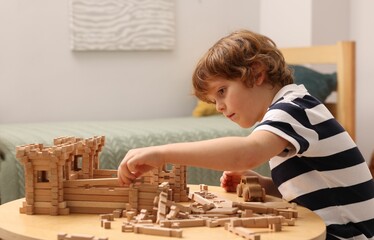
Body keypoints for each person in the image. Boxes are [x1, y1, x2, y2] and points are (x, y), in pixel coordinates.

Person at [118, 29, 374, 240]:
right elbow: (315, 189)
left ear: (256, 74)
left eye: (222, 91)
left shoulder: (294, 108)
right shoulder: (289, 112)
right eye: (212, 100)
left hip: (347, 235)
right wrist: (264, 184)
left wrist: (162, 153)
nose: (218, 106)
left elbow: (245, 153)